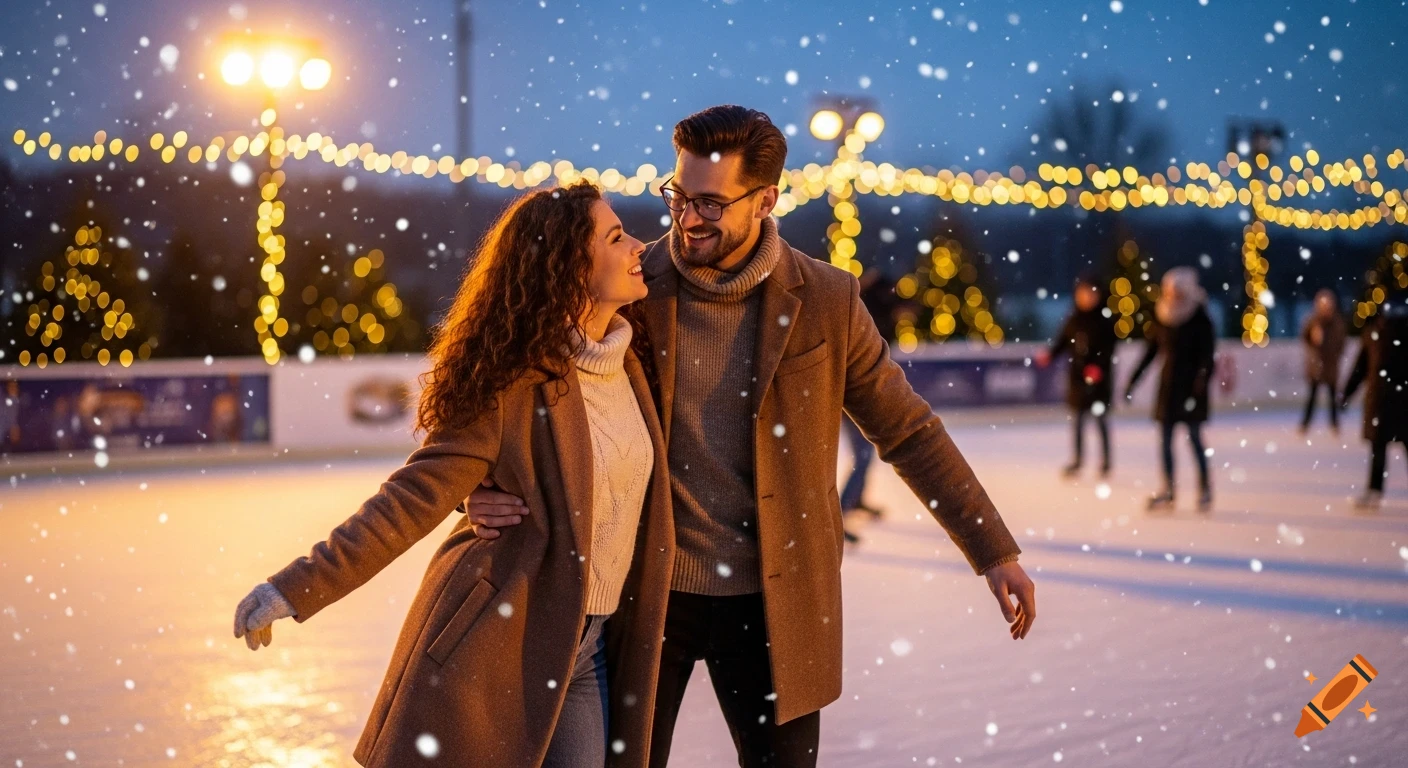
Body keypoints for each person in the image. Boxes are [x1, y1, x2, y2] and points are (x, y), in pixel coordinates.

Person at [464, 105, 1036, 768]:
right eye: (679, 195)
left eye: (710, 202)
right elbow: (522, 386)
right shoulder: (633, 286)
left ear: (765, 200)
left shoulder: (826, 299)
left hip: (778, 599)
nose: (687, 217)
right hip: (650, 591)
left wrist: (992, 550)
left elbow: (906, 430)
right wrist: (476, 487)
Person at [231, 182, 677, 768]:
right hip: (501, 641)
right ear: (570, 268)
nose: (639, 246)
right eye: (616, 237)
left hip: (590, 647)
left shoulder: (634, 364)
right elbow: (410, 499)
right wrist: (295, 585)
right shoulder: (510, 385)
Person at [1124, 267, 1217, 512]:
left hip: (1192, 389)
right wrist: (1133, 381)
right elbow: (1151, 352)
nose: (1172, 295)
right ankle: (1168, 490)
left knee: (1195, 439)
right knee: (1165, 441)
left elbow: (1207, 358)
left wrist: (1200, 383)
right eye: (1169, 290)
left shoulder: (1200, 318)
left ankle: (1205, 489)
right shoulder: (1162, 315)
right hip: (1169, 387)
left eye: (1177, 291)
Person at [1036, 273, 1118, 478]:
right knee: (1078, 421)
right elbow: (1063, 341)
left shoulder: (1105, 319)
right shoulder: (1073, 319)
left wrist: (1098, 367)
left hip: (1099, 382)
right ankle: (1078, 460)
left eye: (1091, 293)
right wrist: (1050, 355)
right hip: (1078, 379)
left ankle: (1106, 461)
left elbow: (1108, 349)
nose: (1086, 298)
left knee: (1100, 420)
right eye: (1083, 293)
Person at [1339, 295, 1408, 510]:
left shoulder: (1374, 333)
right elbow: (1361, 367)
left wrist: (1346, 394)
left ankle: (1374, 491)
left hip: (1383, 400)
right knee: (1382, 447)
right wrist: (1347, 393)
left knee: (1380, 447)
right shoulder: (1373, 334)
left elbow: (1360, 369)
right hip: (1388, 400)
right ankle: (1374, 491)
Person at [1299, 288, 1347, 434]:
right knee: (1313, 397)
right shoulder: (1313, 322)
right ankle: (1305, 424)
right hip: (1317, 367)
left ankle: (1334, 424)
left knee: (1332, 398)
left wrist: (1333, 355)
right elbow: (1305, 338)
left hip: (1330, 367)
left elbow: (1340, 343)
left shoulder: (1336, 323)